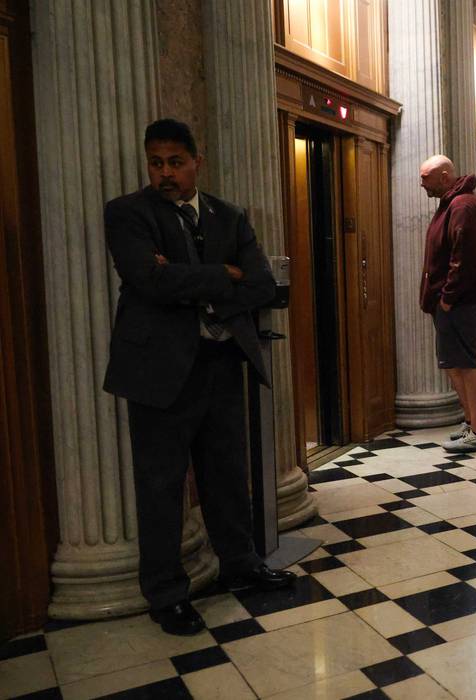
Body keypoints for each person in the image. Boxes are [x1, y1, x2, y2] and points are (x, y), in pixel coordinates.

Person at [103, 118, 294, 636]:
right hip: (158, 373)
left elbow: (258, 284)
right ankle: (166, 593)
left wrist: (201, 278)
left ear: (195, 162)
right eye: (156, 163)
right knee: (161, 485)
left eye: (175, 162)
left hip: (220, 362)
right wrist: (221, 275)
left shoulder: (228, 216)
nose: (165, 173)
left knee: (228, 474)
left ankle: (241, 565)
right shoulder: (127, 214)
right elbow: (149, 280)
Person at [418, 155, 476, 452]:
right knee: (452, 364)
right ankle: (470, 420)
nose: (421, 182)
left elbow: (464, 259)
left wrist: (448, 297)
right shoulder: (451, 203)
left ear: (445, 175)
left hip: (460, 302)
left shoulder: (462, 205)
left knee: (465, 362)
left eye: (426, 177)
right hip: (450, 301)